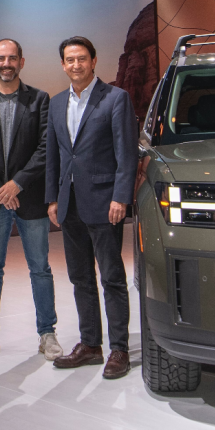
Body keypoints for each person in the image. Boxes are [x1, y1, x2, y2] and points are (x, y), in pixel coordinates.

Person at [0, 38, 62, 361]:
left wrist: (17, 184)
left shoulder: (40, 100)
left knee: (40, 269)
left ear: (21, 62)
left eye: (12, 58)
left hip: (29, 199)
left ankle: (48, 334)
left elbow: (46, 148)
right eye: (1, 58)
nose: (6, 63)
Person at [45, 36, 138, 379]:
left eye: (81, 59)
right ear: (63, 65)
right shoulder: (56, 104)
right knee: (80, 278)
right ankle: (90, 345)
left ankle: (119, 349)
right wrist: (52, 198)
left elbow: (126, 153)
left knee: (112, 278)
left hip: (104, 202)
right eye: (69, 60)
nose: (76, 65)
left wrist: (121, 196)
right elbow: (54, 155)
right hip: (68, 205)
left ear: (94, 61)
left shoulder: (115, 98)